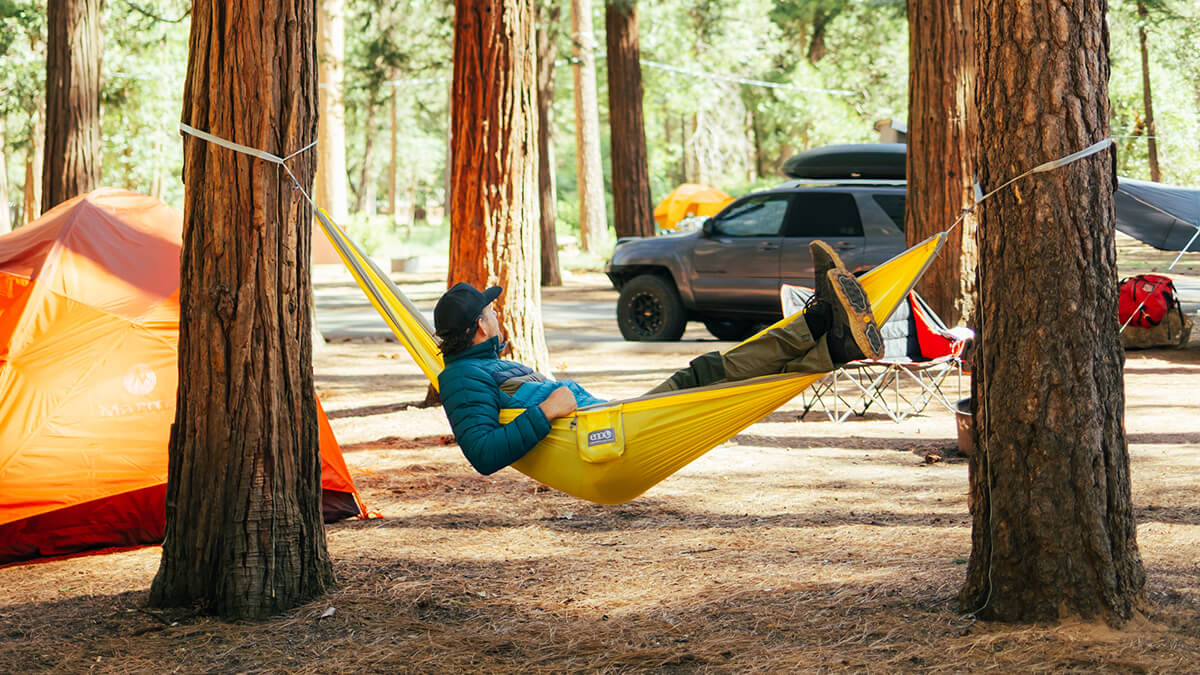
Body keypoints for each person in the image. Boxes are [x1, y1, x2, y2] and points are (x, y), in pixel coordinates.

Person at [434, 242, 883, 475]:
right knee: (709, 379)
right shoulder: (461, 378)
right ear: (480, 326)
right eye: (491, 311)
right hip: (610, 443)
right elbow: (483, 453)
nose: (497, 314)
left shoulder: (482, 365)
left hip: (612, 424)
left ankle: (824, 330)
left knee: (707, 372)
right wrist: (547, 410)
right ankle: (826, 332)